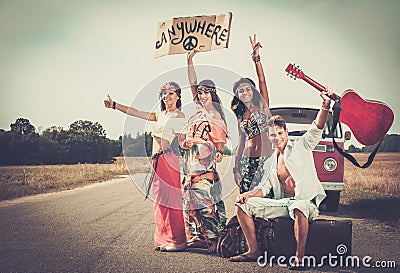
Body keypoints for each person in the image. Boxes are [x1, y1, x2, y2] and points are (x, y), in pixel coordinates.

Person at [229, 88, 332, 270]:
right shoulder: (271, 161)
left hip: (305, 203)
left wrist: (324, 105)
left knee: (299, 206)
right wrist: (249, 194)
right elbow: (264, 188)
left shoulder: (302, 146)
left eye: (279, 133)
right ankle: (254, 251)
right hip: (283, 204)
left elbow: (316, 128)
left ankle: (299, 257)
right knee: (242, 206)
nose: (276, 138)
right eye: (272, 135)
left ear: (286, 131)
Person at [104, 82, 187, 252]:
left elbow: (183, 140)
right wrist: (114, 105)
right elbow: (136, 112)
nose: (167, 96)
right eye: (164, 93)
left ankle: (178, 241)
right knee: (160, 202)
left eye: (171, 93)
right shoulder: (160, 114)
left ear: (178, 96)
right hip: (156, 161)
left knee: (171, 201)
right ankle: (164, 238)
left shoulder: (178, 115)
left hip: (168, 159)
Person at [181, 50, 227, 253]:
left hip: (204, 165)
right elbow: (192, 83)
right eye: (200, 92)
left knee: (206, 201)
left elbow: (218, 147)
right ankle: (198, 237)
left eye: (206, 92)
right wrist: (189, 60)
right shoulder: (198, 110)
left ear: (213, 93)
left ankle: (215, 240)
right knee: (189, 200)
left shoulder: (215, 115)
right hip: (189, 163)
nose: (201, 95)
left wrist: (212, 148)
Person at [231, 34, 273, 193]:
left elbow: (262, 81)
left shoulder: (263, 106)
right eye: (241, 91)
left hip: (266, 159)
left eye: (248, 88)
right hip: (247, 162)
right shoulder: (240, 116)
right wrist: (236, 169)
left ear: (253, 91)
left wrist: (256, 59)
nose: (245, 92)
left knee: (266, 197)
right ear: (238, 95)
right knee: (245, 197)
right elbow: (241, 143)